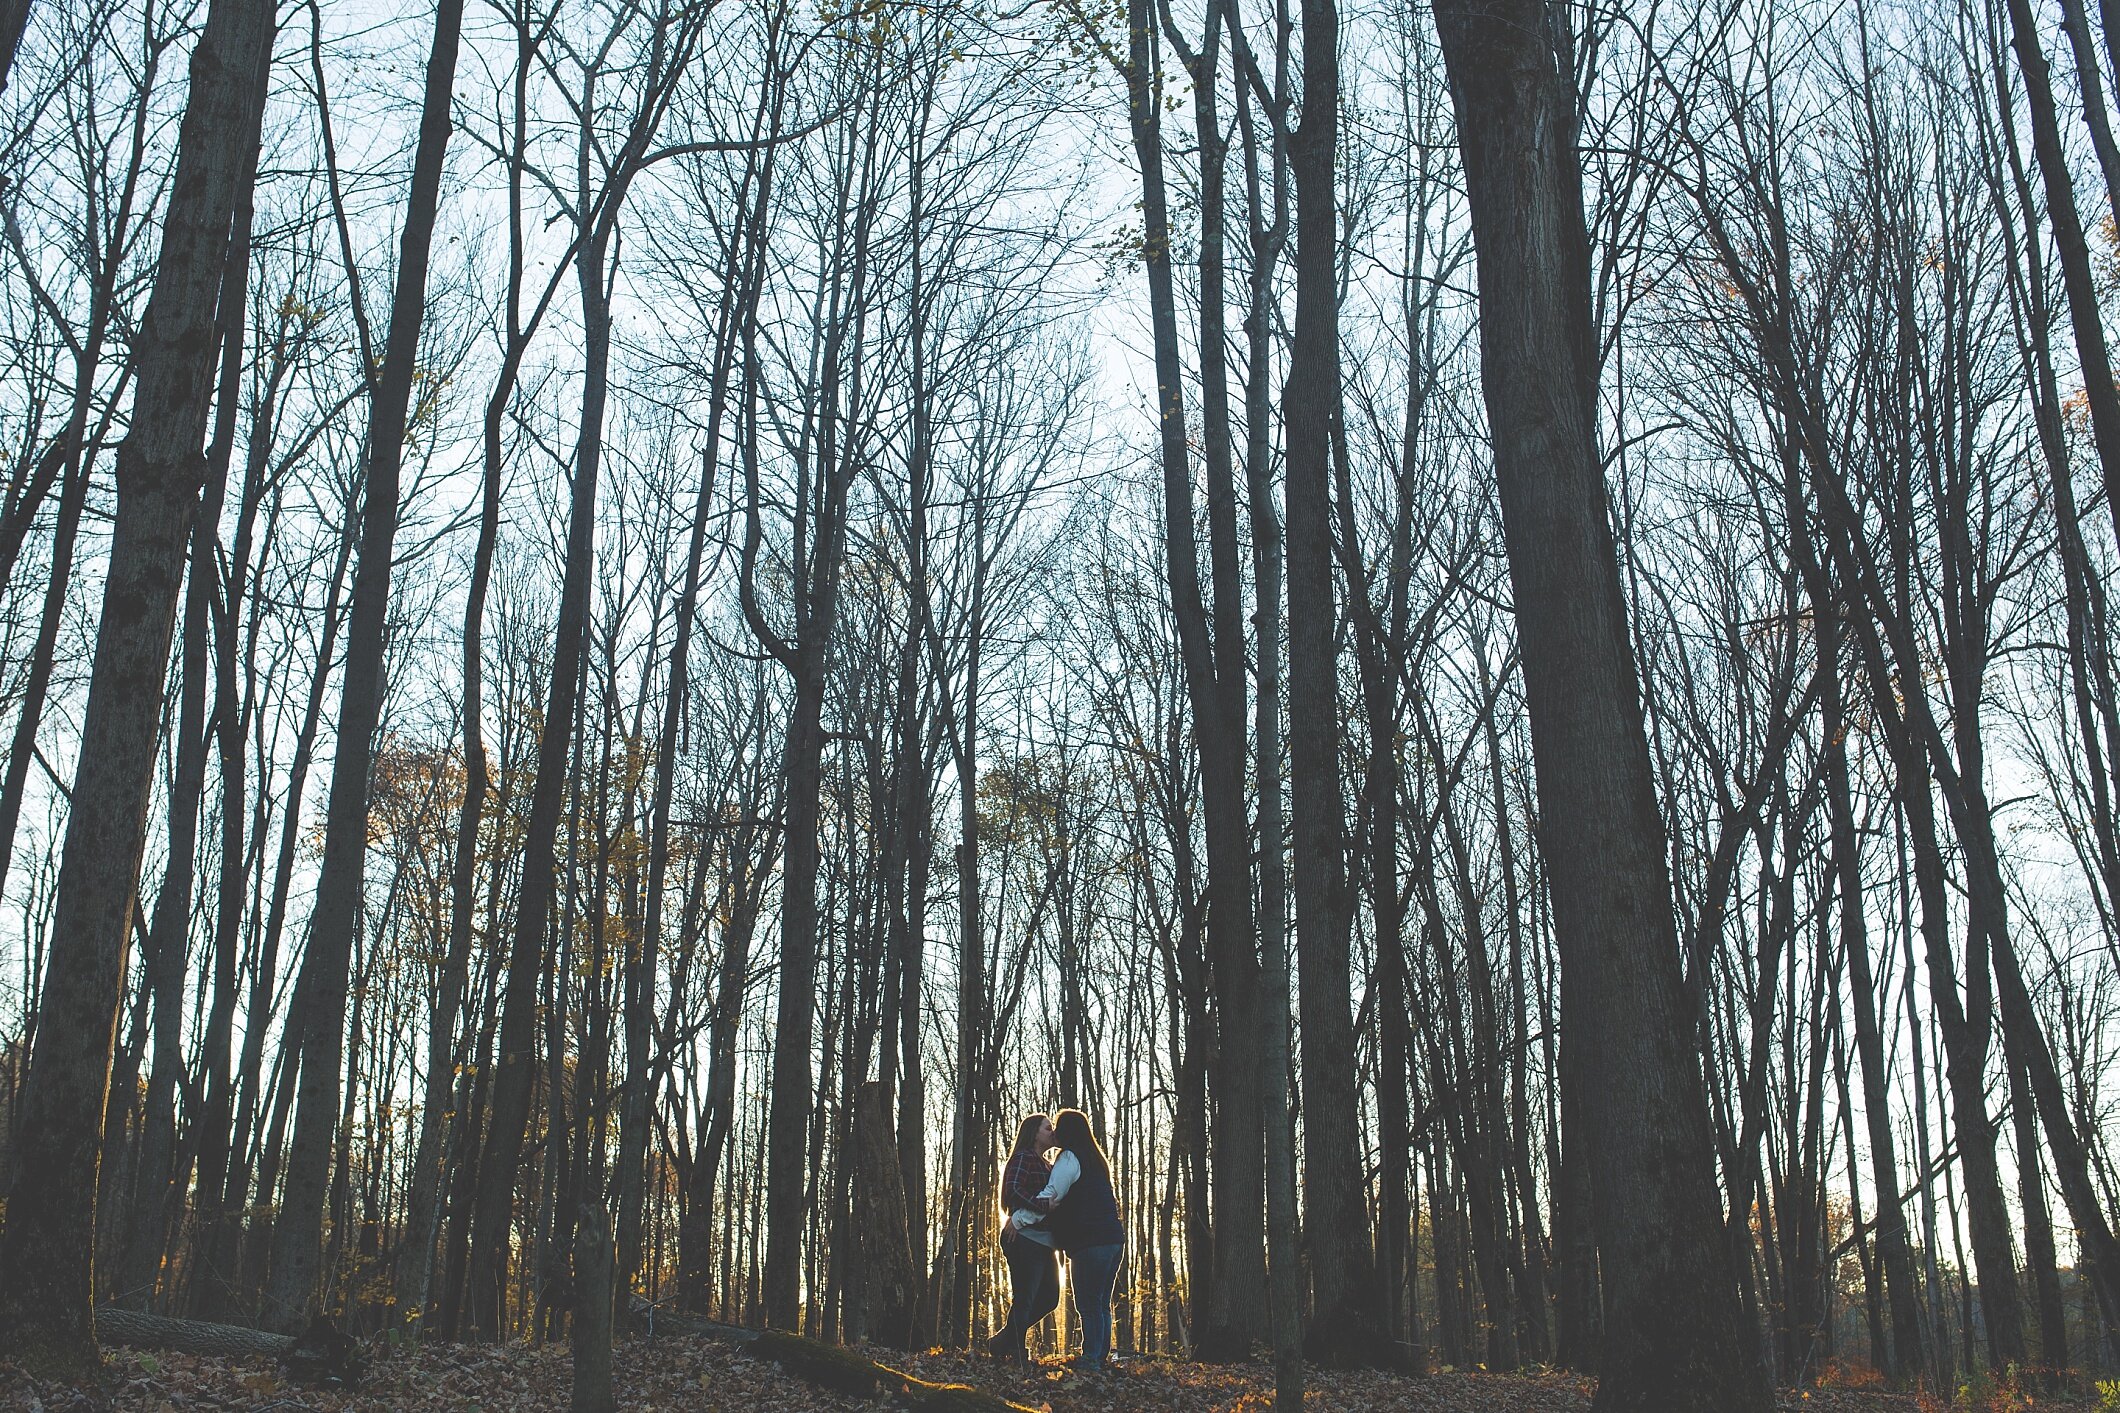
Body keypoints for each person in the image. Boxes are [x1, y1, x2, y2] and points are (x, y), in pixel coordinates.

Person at [1028, 1108, 1125, 1372]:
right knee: (1101, 1302)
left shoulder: (1069, 1157)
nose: (1055, 1132)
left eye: (1058, 1126)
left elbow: (1052, 1193)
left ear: (1068, 1132)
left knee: (1089, 1304)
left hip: (1090, 1242)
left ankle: (1091, 1359)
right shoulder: (1096, 1159)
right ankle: (1099, 1356)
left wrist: (1020, 1213)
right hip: (1113, 1240)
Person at [990, 1112, 1059, 1364]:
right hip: (1023, 1238)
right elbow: (1013, 1191)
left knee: (1050, 1297)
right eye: (1047, 1128)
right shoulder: (1023, 1157)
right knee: (1026, 1295)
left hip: (1044, 1241)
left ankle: (1003, 1340)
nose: (1052, 1132)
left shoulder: (1047, 1165)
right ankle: (1017, 1351)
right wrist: (1042, 1205)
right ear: (1033, 1133)